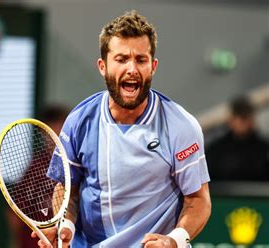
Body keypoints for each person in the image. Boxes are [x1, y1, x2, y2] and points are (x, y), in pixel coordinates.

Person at [33, 10, 212, 248]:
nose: (132, 69)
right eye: (121, 59)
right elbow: (67, 190)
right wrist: (65, 225)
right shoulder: (79, 120)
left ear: (153, 66)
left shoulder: (181, 125)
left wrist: (174, 240)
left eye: (141, 59)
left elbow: (198, 200)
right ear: (102, 66)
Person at [5, 105, 69, 248]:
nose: (54, 139)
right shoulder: (36, 167)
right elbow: (14, 213)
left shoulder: (78, 165)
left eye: (59, 132)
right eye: (49, 134)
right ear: (42, 133)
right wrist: (16, 242)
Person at [206, 96, 269, 181]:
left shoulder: (264, 149)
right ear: (230, 119)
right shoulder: (216, 150)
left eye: (246, 116)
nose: (243, 121)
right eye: (239, 117)